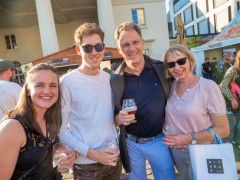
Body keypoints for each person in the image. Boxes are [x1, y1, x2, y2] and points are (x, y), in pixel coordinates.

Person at [111, 21, 176, 180]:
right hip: (131, 144)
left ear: (142, 42)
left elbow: (181, 94)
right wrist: (118, 119)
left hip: (159, 140)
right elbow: (111, 115)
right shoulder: (114, 79)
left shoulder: (162, 69)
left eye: (135, 42)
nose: (131, 48)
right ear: (119, 49)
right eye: (125, 45)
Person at [59, 23, 122, 179]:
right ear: (78, 50)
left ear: (104, 48)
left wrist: (118, 119)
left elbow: (104, 118)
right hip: (86, 165)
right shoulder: (67, 82)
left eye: (98, 46)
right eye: (88, 48)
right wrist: (92, 154)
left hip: (113, 158)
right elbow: (61, 130)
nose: (94, 52)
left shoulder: (108, 79)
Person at [162, 44, 229, 180]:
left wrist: (189, 139)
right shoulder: (172, 87)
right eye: (171, 64)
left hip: (201, 152)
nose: (177, 67)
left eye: (181, 61)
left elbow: (223, 130)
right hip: (177, 154)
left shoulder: (208, 87)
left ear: (190, 61)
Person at [0, 63, 76, 179]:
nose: (47, 91)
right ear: (28, 90)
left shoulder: (50, 119)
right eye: (39, 85)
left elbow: (42, 150)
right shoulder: (12, 127)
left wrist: (63, 152)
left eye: (53, 85)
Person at [220, 50, 240, 147]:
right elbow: (223, 85)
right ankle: (231, 142)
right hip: (234, 102)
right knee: (235, 123)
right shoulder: (233, 70)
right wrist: (232, 99)